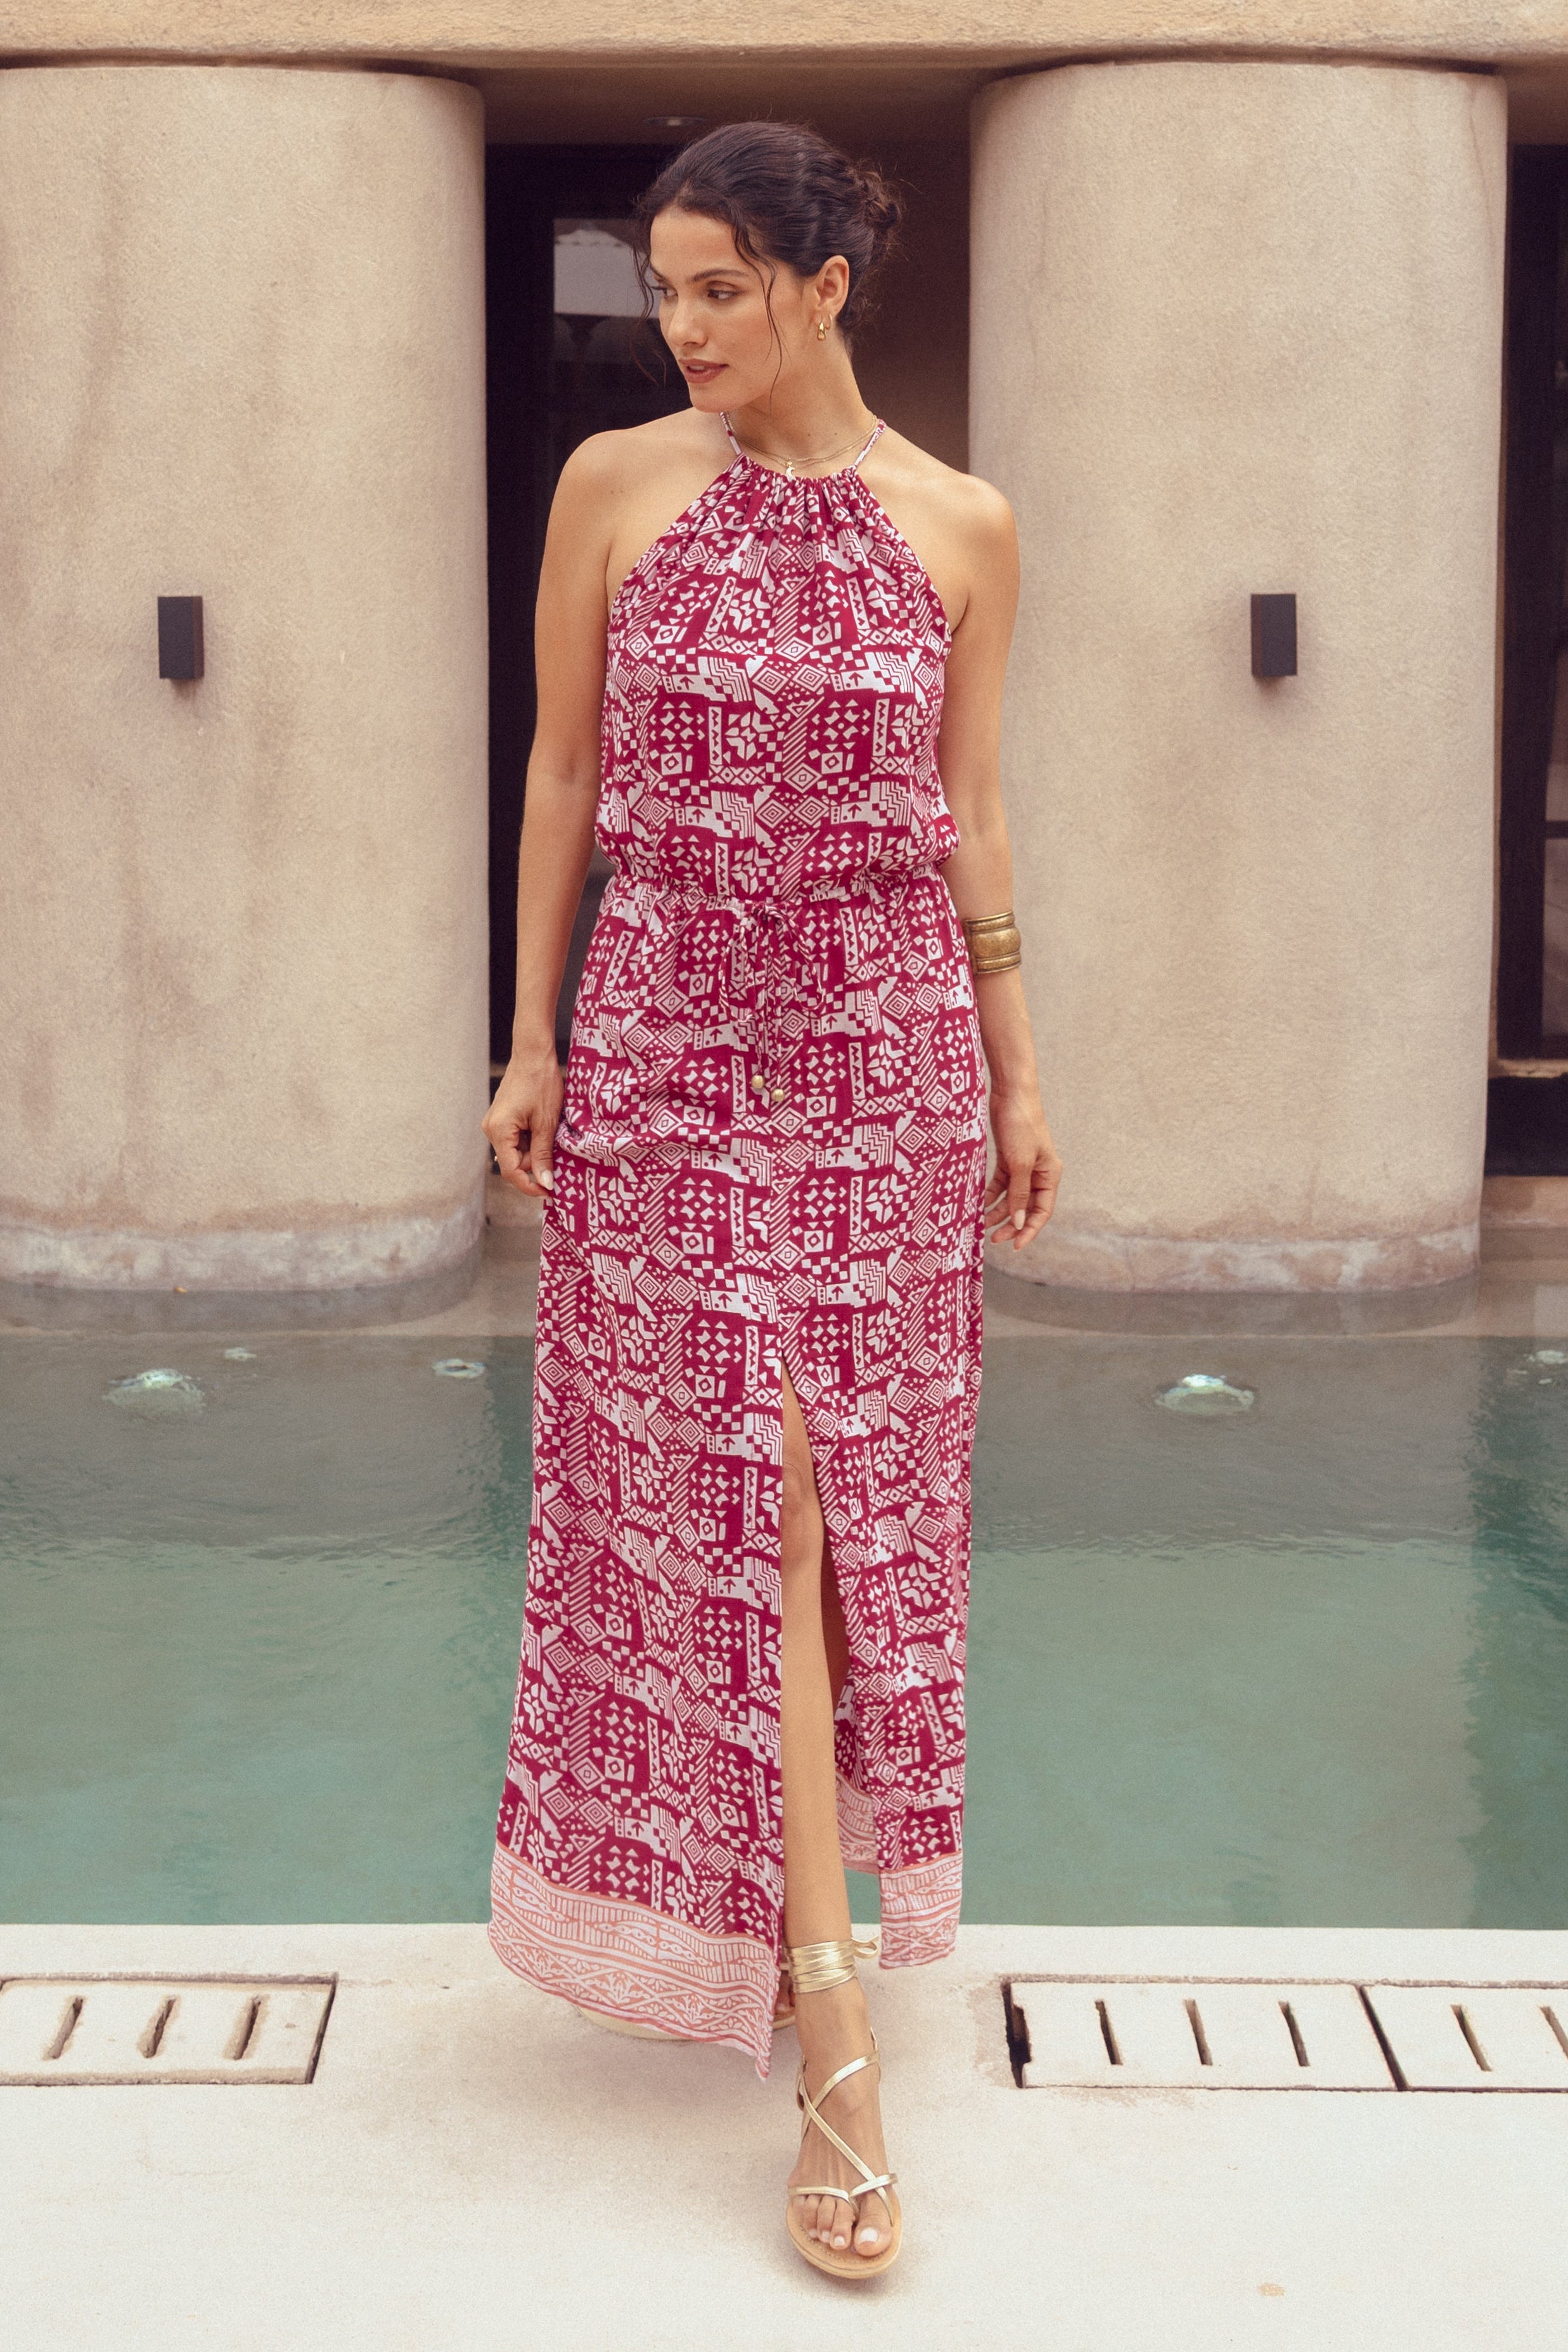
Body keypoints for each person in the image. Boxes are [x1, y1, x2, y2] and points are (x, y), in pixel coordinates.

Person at [483, 119, 1061, 2282]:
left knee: (831, 1503)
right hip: (660, 1042)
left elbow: (973, 819)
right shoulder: (614, 490)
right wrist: (531, 1039)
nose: (686, 327)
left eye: (724, 287)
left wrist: (1020, 1066)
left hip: (886, 1059)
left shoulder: (966, 525)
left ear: (827, 285)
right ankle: (829, 2029)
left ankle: (818, 1999)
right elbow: (558, 773)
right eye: (668, 288)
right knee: (723, 1490)